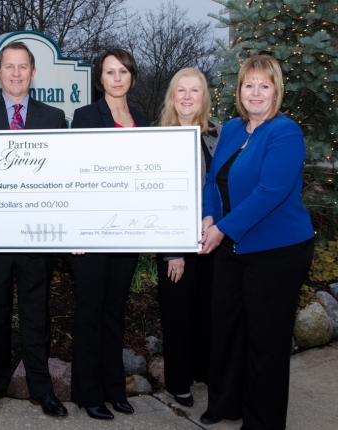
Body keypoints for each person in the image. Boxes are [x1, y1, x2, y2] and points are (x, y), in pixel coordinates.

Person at [198, 55, 314, 430]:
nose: (256, 92)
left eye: (265, 85)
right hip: (232, 247)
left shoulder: (285, 132)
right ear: (240, 91)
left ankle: (262, 421)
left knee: (266, 341)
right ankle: (226, 404)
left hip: (276, 252)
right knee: (227, 330)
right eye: (250, 85)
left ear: (276, 91)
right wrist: (208, 217)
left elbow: (270, 192)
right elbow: (212, 181)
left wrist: (221, 229)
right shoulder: (231, 129)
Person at [0, 41, 68, 417]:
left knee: (37, 314)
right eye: (9, 66)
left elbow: (61, 179)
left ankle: (42, 387)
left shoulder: (54, 118)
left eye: (23, 66)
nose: (17, 73)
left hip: (36, 235)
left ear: (33, 72)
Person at [70, 48, 148, 420]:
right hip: (90, 233)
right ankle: (89, 394)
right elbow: (72, 176)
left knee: (115, 313)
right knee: (89, 313)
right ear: (99, 79)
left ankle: (115, 389)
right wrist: (76, 232)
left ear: (131, 76)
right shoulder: (85, 117)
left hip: (128, 232)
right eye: (109, 72)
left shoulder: (142, 118)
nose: (117, 78)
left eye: (123, 71)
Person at [156, 68, 221, 408]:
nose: (186, 96)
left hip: (213, 241)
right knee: (178, 315)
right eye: (180, 90)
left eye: (194, 91)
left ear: (203, 97)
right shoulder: (159, 137)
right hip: (176, 245)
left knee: (207, 313)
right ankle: (179, 382)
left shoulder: (219, 134)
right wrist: (173, 252)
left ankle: (203, 370)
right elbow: (157, 198)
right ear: (172, 96)